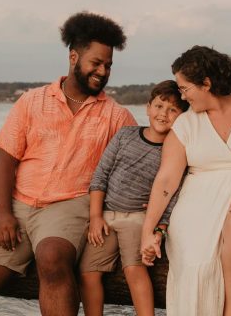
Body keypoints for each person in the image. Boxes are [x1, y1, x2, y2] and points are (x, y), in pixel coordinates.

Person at [0, 11, 137, 316]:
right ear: (73, 57)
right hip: (18, 203)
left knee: (52, 257)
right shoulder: (31, 101)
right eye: (96, 63)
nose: (103, 71)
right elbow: (4, 160)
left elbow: (142, 159)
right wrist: (3, 213)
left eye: (108, 65)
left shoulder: (116, 116)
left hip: (70, 204)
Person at [140, 46, 231, 315]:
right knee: (197, 262)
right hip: (199, 202)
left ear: (206, 84)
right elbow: (166, 181)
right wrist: (147, 232)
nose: (182, 95)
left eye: (185, 88)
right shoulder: (185, 124)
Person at [79, 80, 188, 316]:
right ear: (148, 107)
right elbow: (100, 175)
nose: (163, 114)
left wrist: (158, 230)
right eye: (159, 106)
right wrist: (95, 216)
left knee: (134, 270)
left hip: (139, 219)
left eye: (173, 110)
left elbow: (173, 195)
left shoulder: (175, 151)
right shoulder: (125, 135)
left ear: (182, 117)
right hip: (106, 216)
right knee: (88, 272)